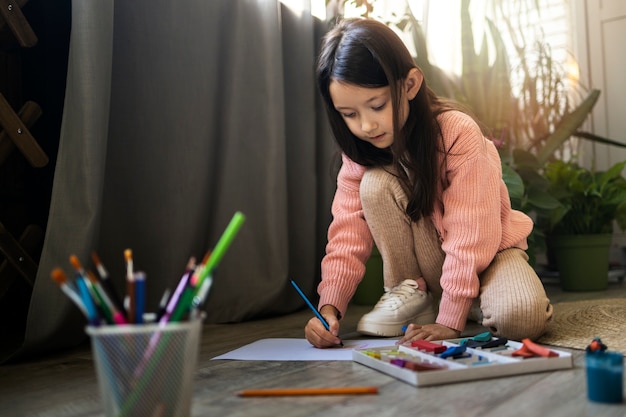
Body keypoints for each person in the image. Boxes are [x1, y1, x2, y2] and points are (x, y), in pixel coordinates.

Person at [304, 18, 553, 348]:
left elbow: (470, 233)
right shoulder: (360, 155)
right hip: (431, 270)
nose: (366, 125)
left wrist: (450, 322)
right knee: (375, 181)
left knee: (522, 319)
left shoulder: (456, 133)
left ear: (410, 84)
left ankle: (469, 304)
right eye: (349, 114)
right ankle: (415, 295)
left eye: (376, 105)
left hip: (490, 255)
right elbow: (347, 234)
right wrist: (328, 308)